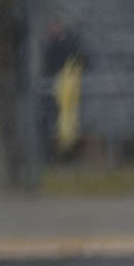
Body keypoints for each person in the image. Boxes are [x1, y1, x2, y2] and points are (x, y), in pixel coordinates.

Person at [41, 16, 88, 161]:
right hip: (54, 92)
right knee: (52, 121)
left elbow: (80, 61)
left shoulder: (70, 44)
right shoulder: (50, 47)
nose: (53, 30)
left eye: (56, 26)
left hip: (68, 92)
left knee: (68, 121)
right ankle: (57, 152)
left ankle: (68, 149)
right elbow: (48, 67)